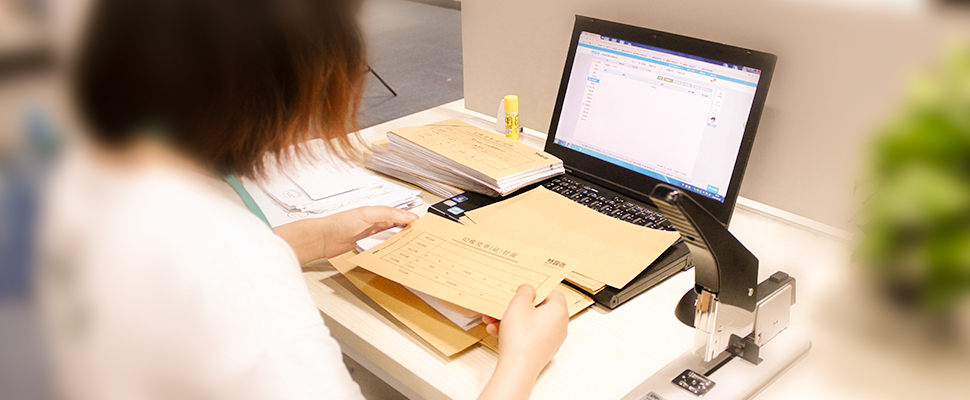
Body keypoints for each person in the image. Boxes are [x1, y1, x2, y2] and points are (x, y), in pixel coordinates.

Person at [36, 0, 569, 399]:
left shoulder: (76, 176)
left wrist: (315, 236)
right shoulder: (234, 272)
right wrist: (521, 362)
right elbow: (220, 277)